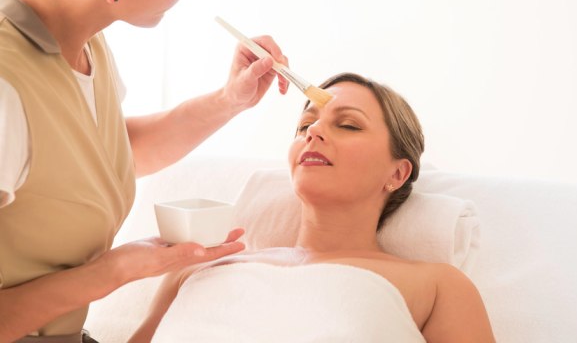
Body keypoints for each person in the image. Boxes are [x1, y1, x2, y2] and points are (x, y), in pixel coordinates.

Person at [0, 0, 288, 342]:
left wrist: (230, 100)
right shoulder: (5, 85)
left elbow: (107, 153)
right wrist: (114, 271)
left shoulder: (82, 42)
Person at [129, 73, 496, 343]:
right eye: (305, 125)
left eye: (348, 125)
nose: (313, 132)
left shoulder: (437, 286)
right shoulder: (197, 267)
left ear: (397, 173)